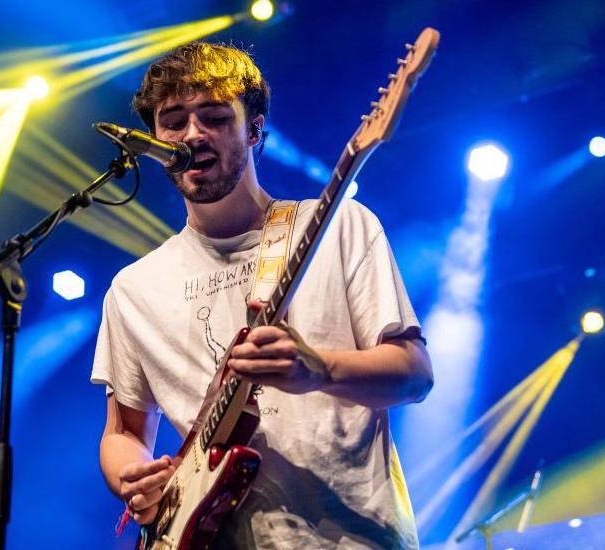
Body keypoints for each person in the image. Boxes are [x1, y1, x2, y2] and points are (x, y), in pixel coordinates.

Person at [90, 41, 433, 549]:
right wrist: (135, 479)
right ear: (155, 139)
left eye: (214, 117)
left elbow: (414, 376)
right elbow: (123, 432)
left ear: (254, 129)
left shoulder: (340, 227)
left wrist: (319, 370)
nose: (192, 134)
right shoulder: (132, 289)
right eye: (174, 120)